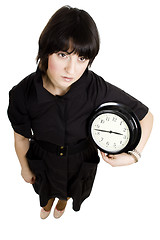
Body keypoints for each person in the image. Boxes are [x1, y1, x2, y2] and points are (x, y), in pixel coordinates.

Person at [7, 6, 153, 219]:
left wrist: (134, 156)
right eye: (62, 54)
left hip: (80, 160)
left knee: (70, 190)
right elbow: (21, 138)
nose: (72, 70)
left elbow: (146, 116)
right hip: (44, 159)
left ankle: (63, 203)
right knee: (44, 189)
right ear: (46, 50)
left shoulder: (94, 87)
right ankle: (47, 204)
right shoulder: (22, 93)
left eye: (82, 58)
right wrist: (24, 168)